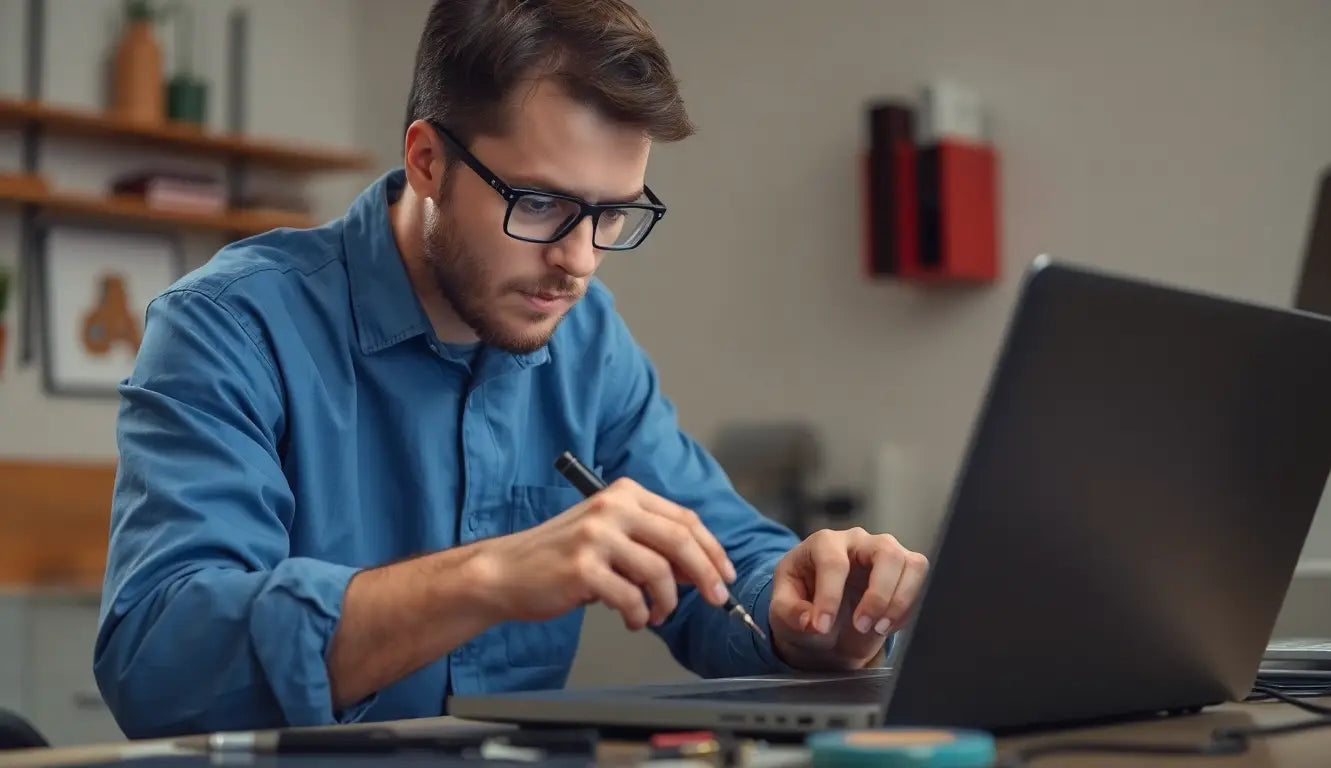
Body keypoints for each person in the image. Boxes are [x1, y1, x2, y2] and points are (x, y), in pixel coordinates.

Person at [93, 0, 929, 739]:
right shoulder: (231, 326)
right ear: (427, 160)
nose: (578, 261)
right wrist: (491, 576)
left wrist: (803, 615)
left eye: (613, 214)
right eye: (538, 203)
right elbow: (159, 663)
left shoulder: (585, 338)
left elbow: (719, 559)